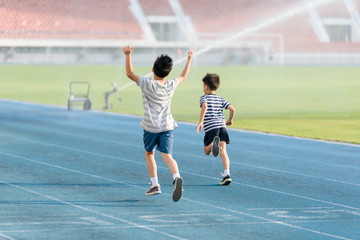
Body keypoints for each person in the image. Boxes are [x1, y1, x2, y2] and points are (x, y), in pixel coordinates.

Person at [123, 46, 193, 202]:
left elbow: (129, 73)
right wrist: (189, 59)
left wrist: (128, 55)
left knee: (149, 153)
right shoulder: (171, 85)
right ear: (168, 72)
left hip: (150, 127)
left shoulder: (147, 83)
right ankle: (176, 177)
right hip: (167, 126)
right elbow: (183, 76)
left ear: (152, 69)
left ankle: (155, 184)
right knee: (167, 156)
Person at [196, 73, 235, 185]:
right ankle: (227, 174)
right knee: (224, 152)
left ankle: (214, 144)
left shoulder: (204, 98)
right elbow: (232, 109)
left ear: (206, 87)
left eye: (203, 85)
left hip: (212, 128)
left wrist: (200, 122)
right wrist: (230, 120)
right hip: (222, 127)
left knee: (206, 151)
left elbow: (204, 106)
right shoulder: (220, 99)